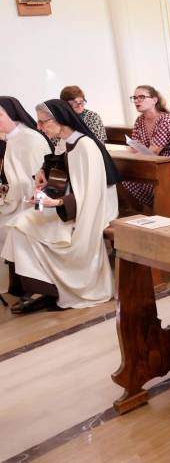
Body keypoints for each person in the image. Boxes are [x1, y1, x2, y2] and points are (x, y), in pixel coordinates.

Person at [1, 99, 119, 312]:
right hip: (71, 207)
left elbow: (91, 194)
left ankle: (53, 288)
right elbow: (62, 171)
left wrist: (56, 202)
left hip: (89, 214)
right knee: (19, 224)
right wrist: (43, 173)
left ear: (60, 120)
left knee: (25, 225)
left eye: (43, 122)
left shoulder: (85, 145)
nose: (39, 127)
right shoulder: (66, 142)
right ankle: (46, 289)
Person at [0, 97, 51, 258]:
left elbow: (39, 183)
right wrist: (6, 188)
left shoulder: (30, 139)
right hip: (13, 201)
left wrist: (9, 190)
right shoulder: (9, 139)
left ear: (12, 114)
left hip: (33, 206)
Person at [123, 85, 170, 208]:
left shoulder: (165, 119)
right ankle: (148, 209)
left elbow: (154, 151)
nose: (136, 101)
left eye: (141, 97)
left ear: (154, 100)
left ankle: (158, 209)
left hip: (169, 163)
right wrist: (124, 157)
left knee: (131, 175)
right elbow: (134, 146)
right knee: (123, 175)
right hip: (151, 161)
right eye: (134, 97)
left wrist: (131, 160)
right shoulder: (139, 120)